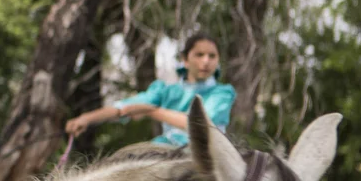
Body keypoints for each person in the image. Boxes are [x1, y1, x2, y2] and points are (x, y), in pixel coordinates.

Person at [64, 32, 236, 146]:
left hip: (209, 155)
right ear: (185, 59)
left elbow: (200, 123)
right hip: (167, 151)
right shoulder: (167, 91)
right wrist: (86, 119)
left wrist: (151, 111)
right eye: (199, 55)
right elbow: (124, 107)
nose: (206, 61)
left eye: (212, 56)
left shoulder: (222, 93)